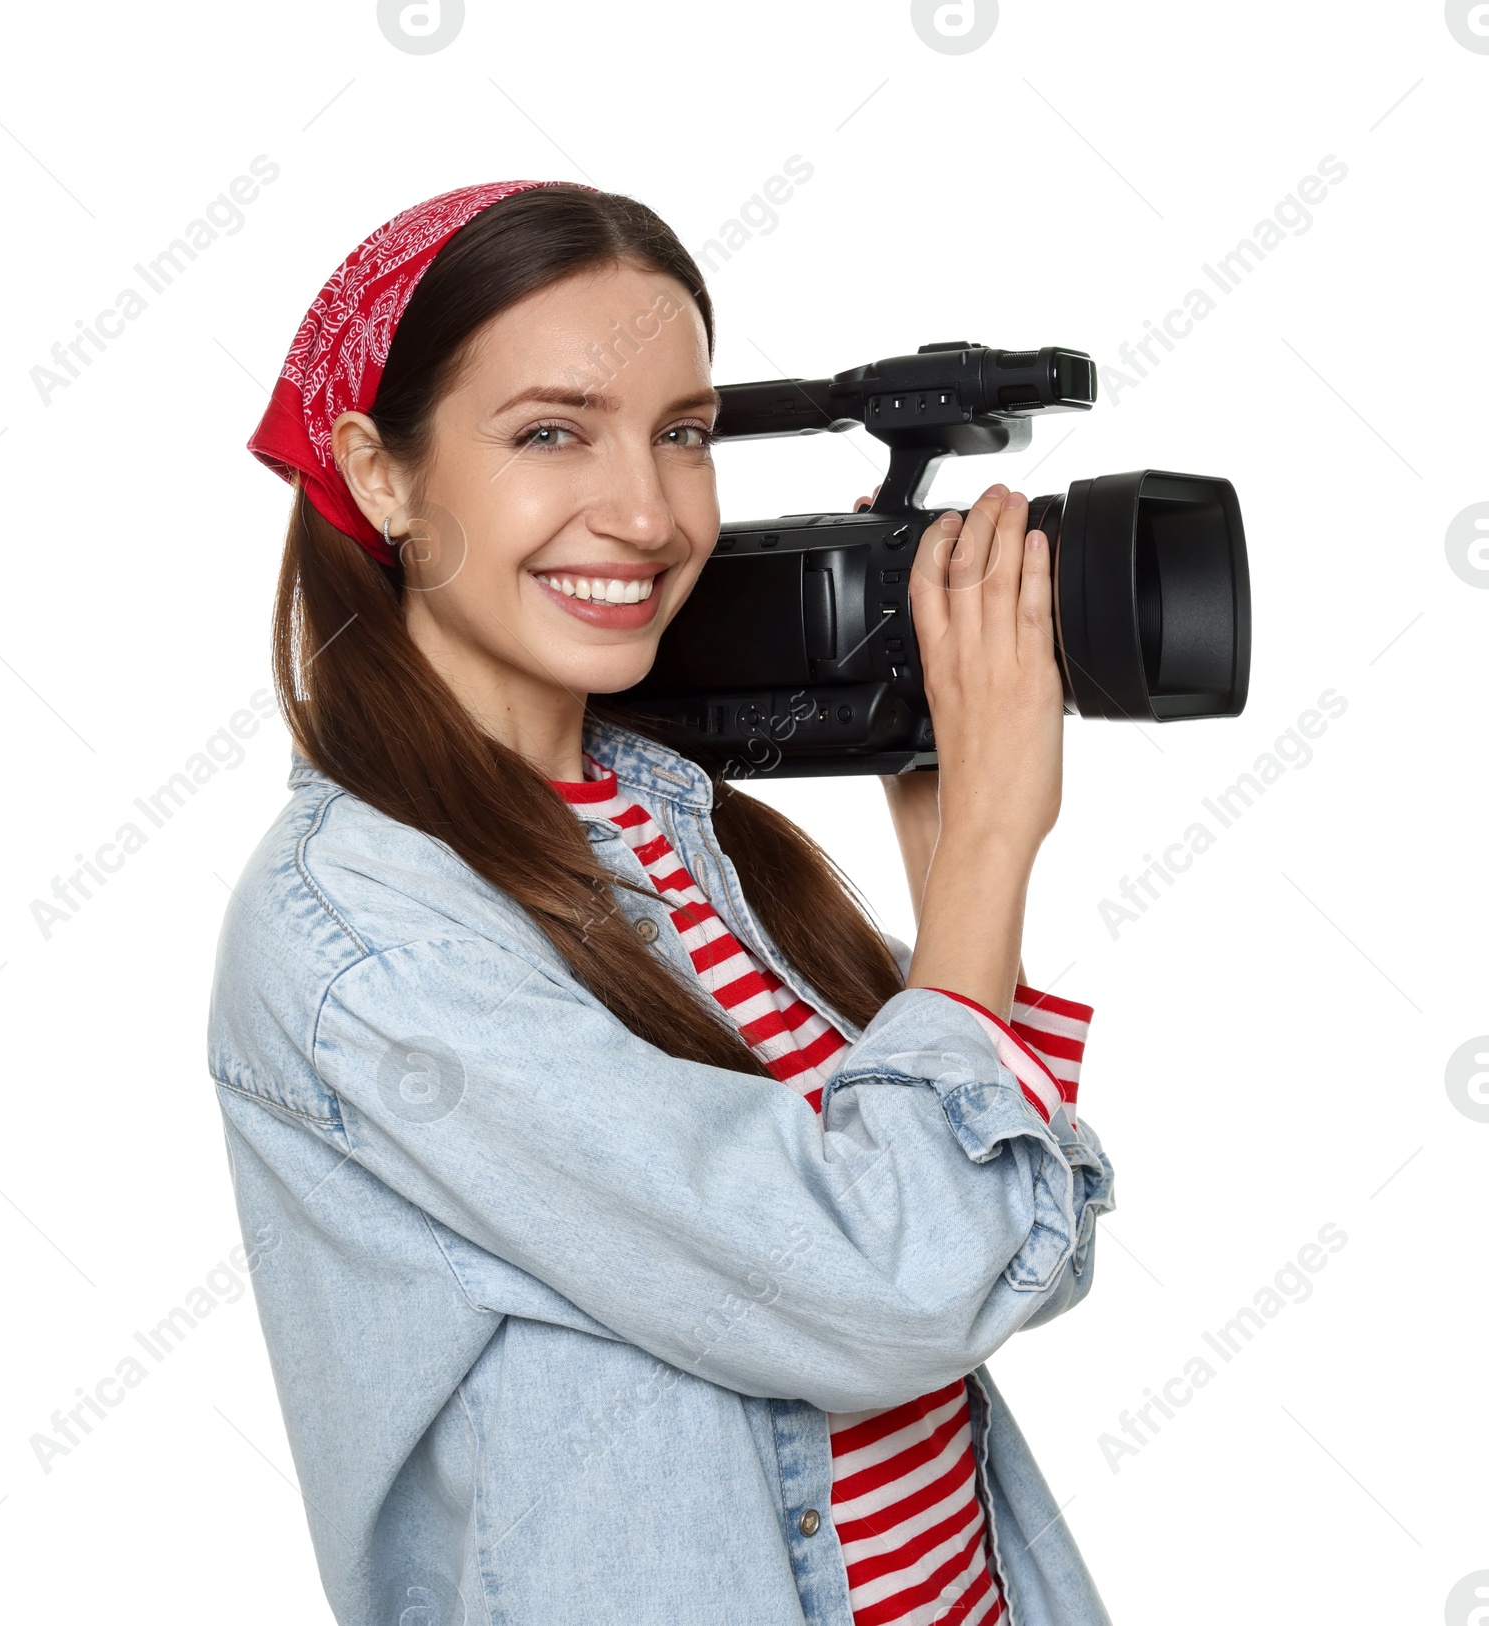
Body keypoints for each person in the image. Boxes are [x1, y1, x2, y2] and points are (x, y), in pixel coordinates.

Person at [208, 178, 1116, 1626]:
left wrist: (952, 863)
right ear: (380, 473)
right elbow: (898, 1285)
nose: (645, 511)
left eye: (683, 434)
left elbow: (1010, 1250)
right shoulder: (368, 944)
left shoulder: (684, 824)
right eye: (552, 432)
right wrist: (997, 849)